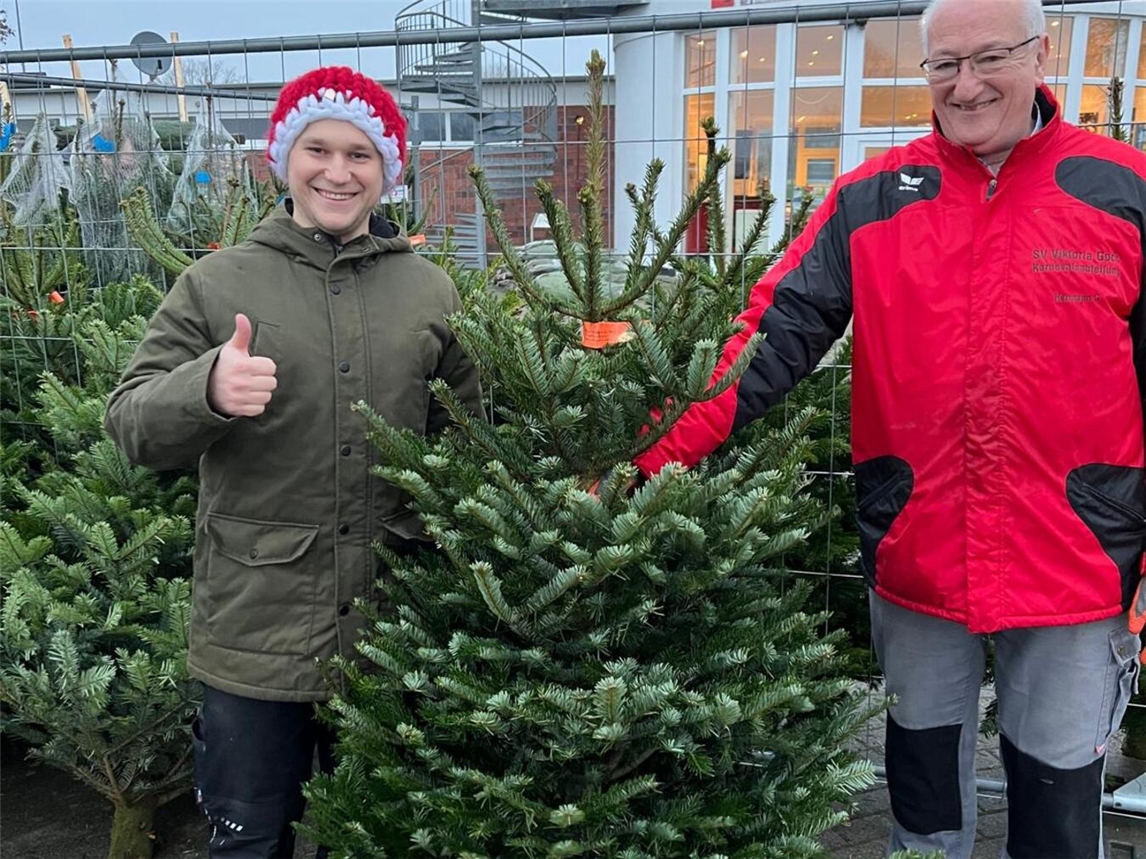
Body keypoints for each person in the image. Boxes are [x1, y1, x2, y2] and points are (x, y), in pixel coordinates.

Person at [630, 1, 1145, 856]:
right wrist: (640, 453)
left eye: (990, 59)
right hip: (919, 556)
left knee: (1057, 813)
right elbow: (767, 341)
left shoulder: (1122, 191)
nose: (966, 85)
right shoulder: (871, 200)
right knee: (922, 803)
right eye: (944, 64)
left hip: (1080, 563)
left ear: (1041, 53)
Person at [105, 66, 483, 858]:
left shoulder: (432, 292)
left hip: (392, 631)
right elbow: (131, 423)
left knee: (382, 837)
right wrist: (204, 386)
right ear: (284, 158)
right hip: (254, 638)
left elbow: (471, 446)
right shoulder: (217, 283)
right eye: (318, 149)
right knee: (250, 841)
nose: (338, 172)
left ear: (388, 170)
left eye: (360, 155)